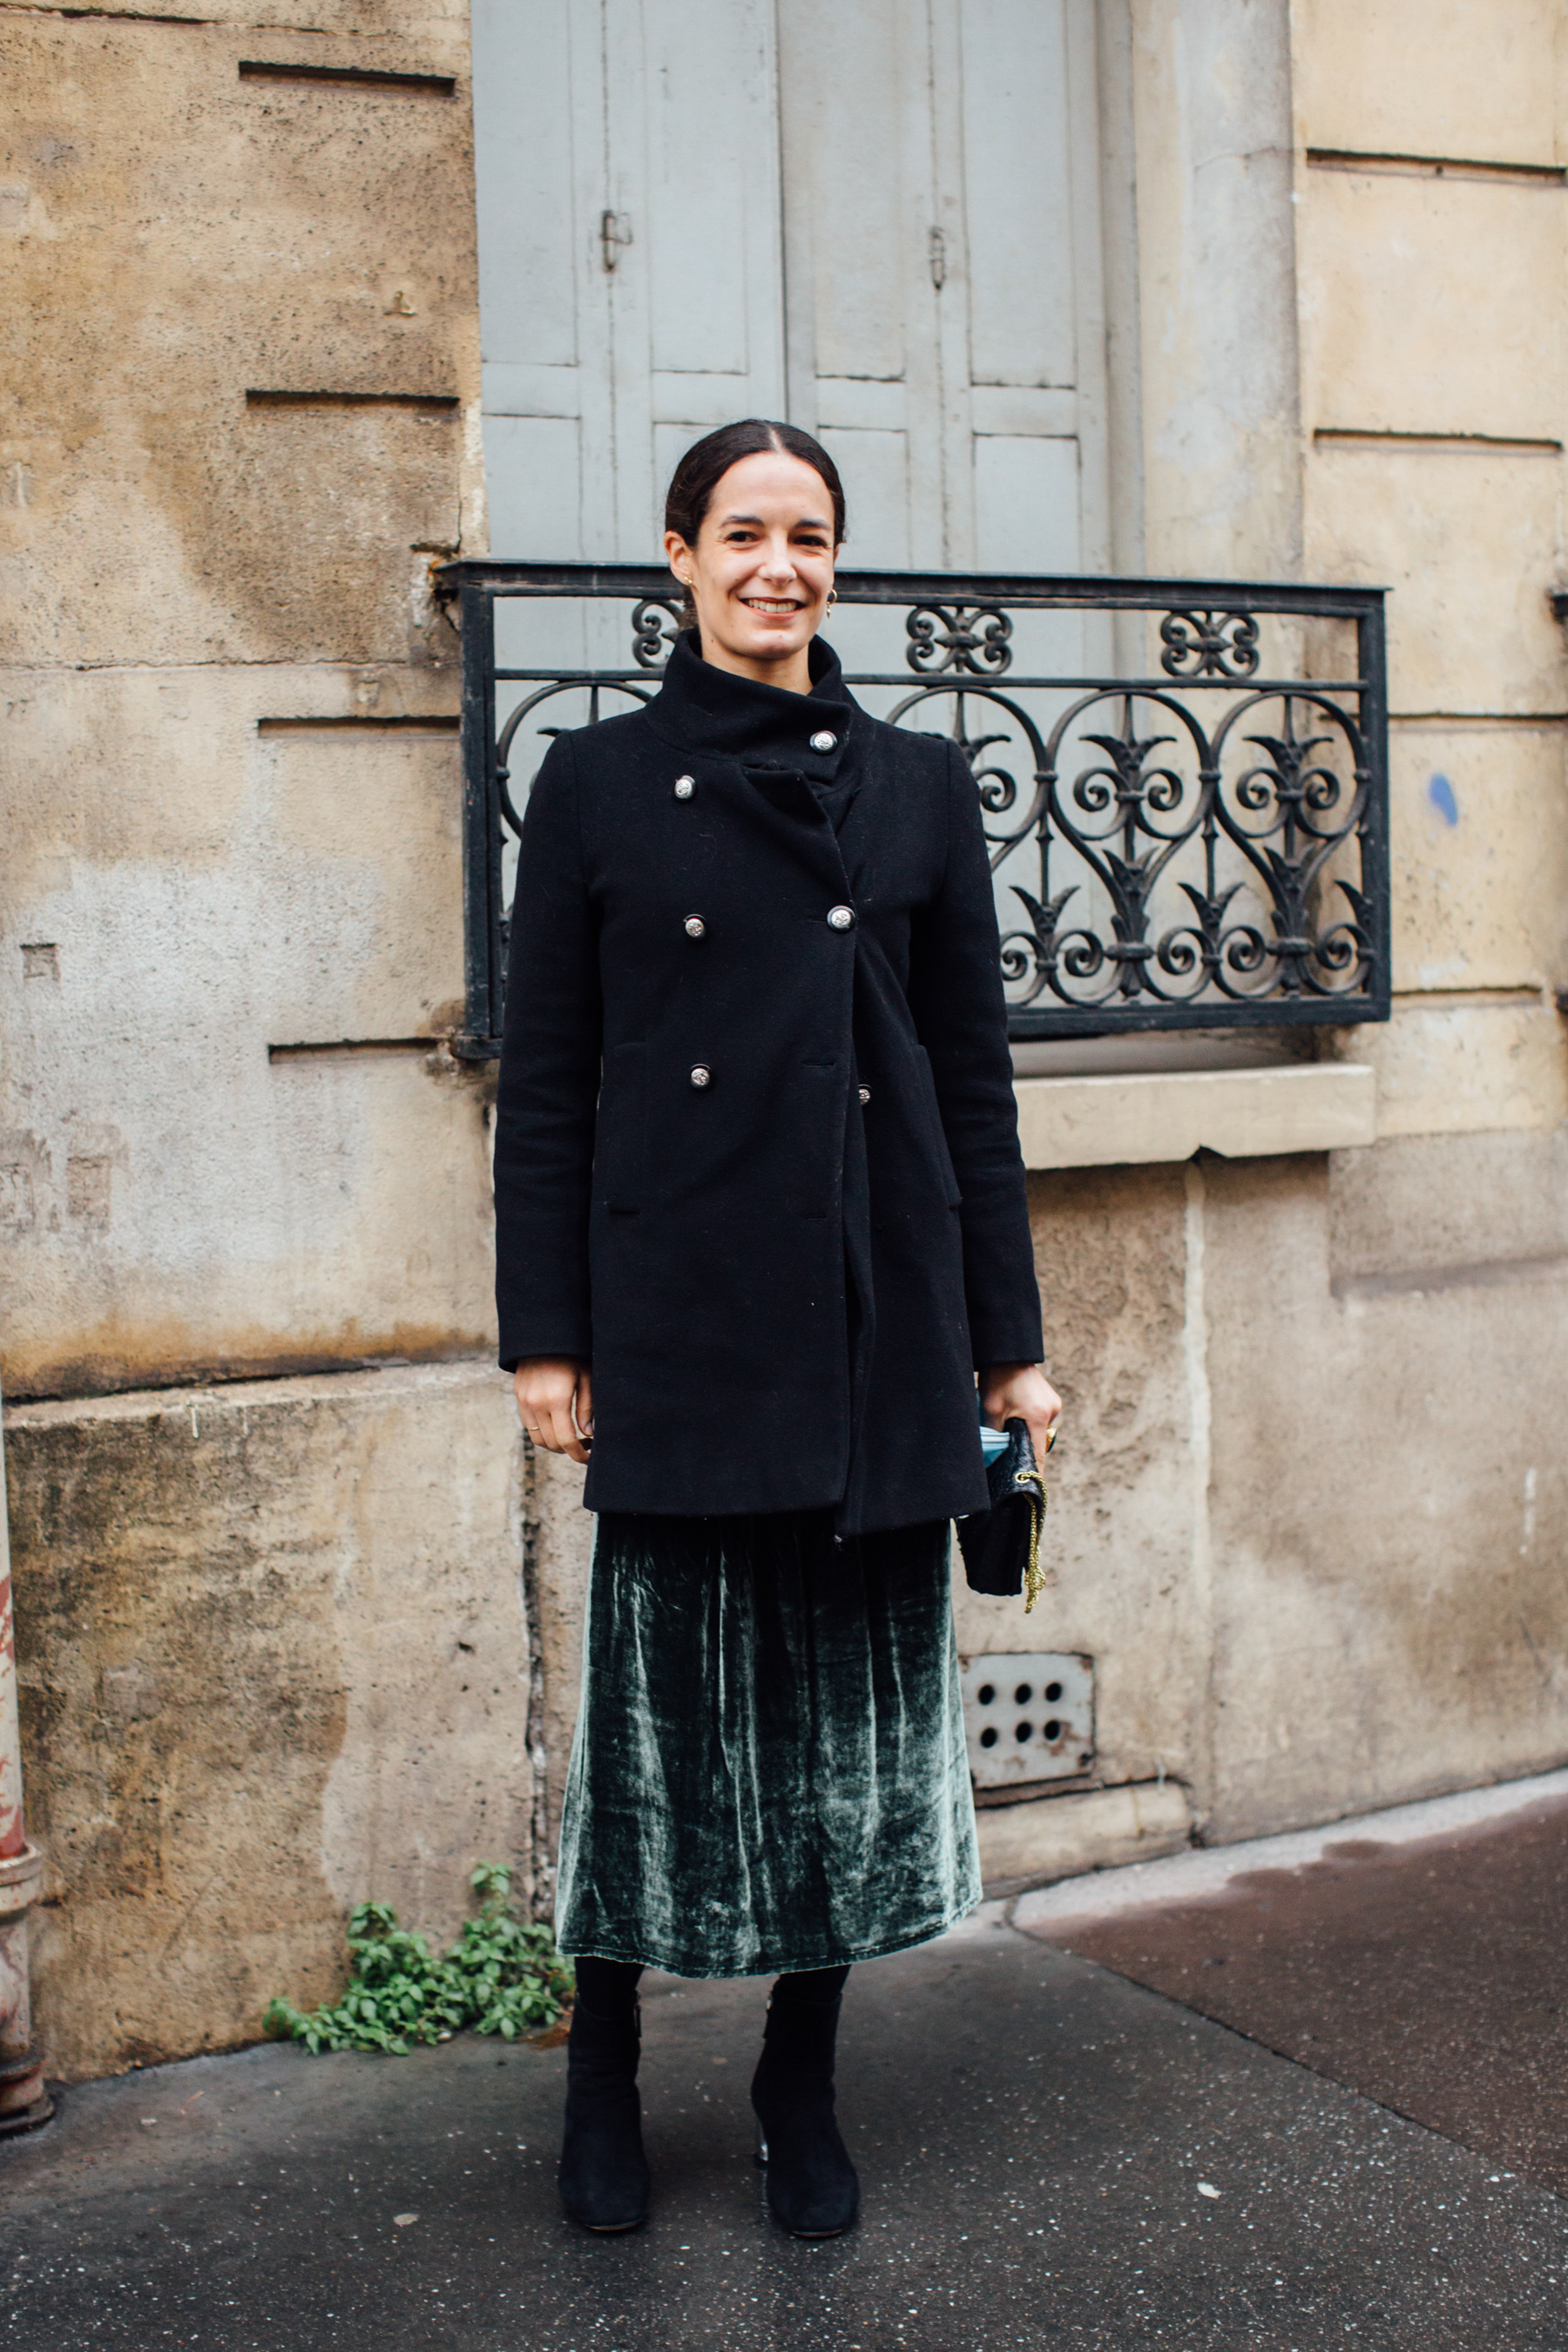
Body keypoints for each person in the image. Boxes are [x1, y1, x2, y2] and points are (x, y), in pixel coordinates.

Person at [495, 418, 1061, 2239]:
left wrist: (1008, 1342)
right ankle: (602, 2074)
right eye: (742, 532)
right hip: (679, 1316)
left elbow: (971, 1084)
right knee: (654, 1741)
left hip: (873, 1315)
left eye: (808, 535)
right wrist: (544, 1340)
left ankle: (797, 2087)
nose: (778, 566)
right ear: (678, 555)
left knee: (845, 1753)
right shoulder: (591, 782)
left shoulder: (915, 784)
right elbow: (553, 1088)